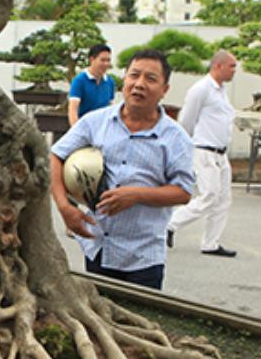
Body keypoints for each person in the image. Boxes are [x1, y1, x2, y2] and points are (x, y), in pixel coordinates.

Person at [50, 50, 194, 290]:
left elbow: (183, 191)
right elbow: (56, 155)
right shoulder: (95, 122)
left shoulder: (175, 137)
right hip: (98, 248)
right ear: (124, 80)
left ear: (164, 89)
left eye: (150, 78)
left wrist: (136, 195)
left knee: (135, 321)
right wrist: (64, 207)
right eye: (134, 75)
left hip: (143, 257)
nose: (139, 84)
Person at [166, 50, 239, 257]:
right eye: (232, 66)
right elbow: (187, 121)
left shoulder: (221, 91)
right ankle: (170, 224)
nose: (235, 71)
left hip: (221, 152)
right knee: (209, 195)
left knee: (223, 199)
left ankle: (211, 243)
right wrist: (183, 149)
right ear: (218, 66)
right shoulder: (201, 89)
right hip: (204, 150)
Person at [67, 44, 115, 126]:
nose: (106, 64)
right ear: (92, 59)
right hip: (85, 126)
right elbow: (73, 110)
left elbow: (111, 108)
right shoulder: (79, 81)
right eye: (102, 60)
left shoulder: (110, 82)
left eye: (108, 60)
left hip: (102, 128)